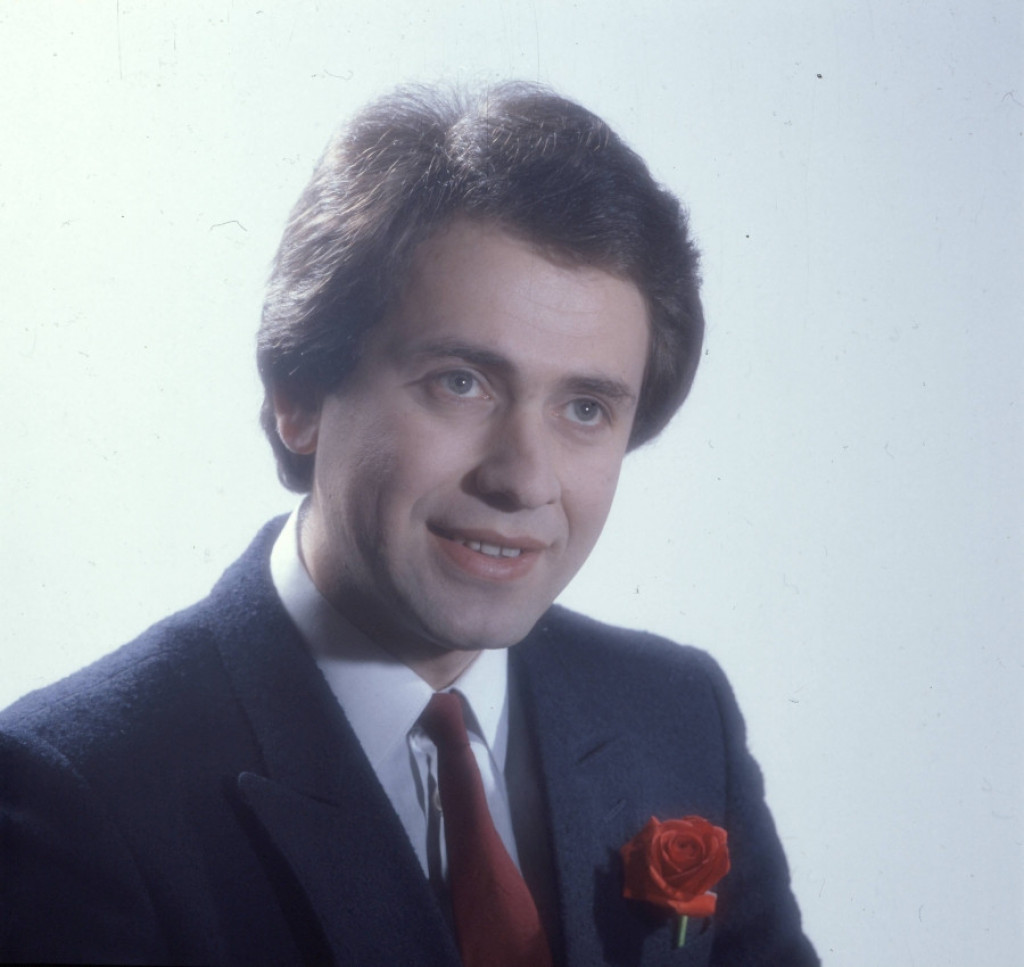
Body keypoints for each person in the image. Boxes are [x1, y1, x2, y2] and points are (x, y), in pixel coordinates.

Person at [0, 83, 819, 966]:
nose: (524, 478)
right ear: (299, 397)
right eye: (460, 383)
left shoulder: (677, 712)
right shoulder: (74, 790)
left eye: (585, 407)